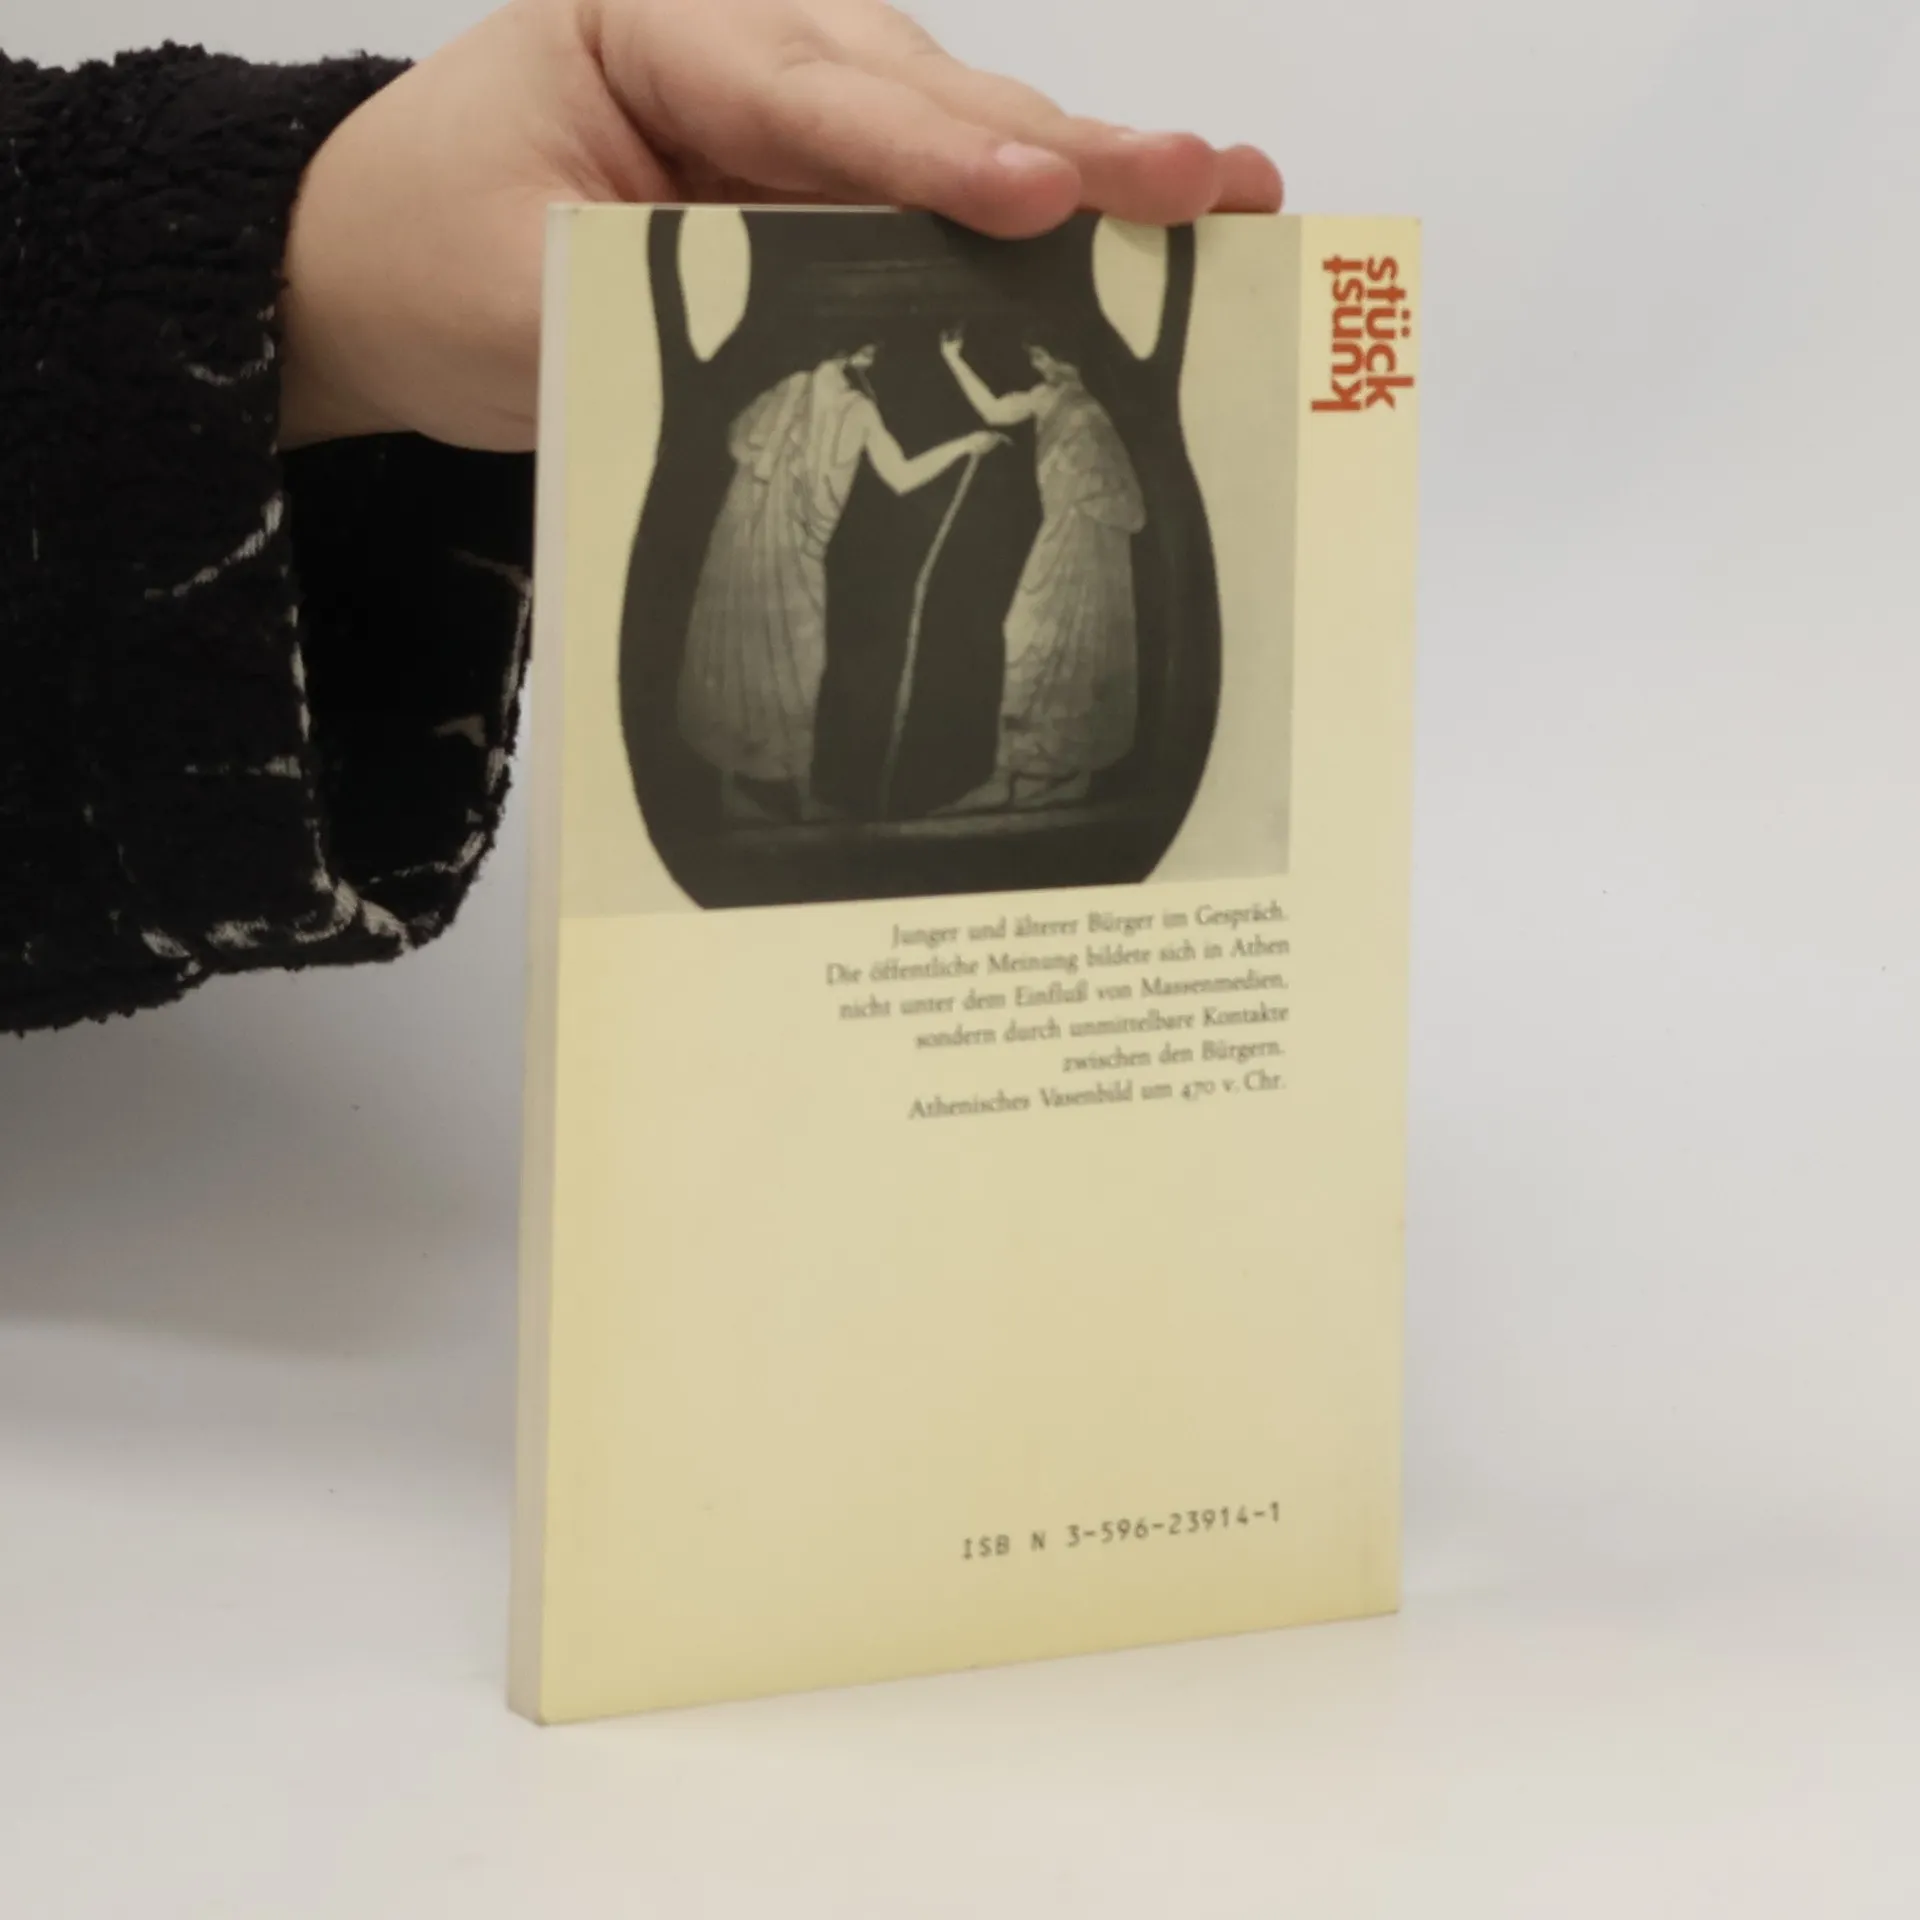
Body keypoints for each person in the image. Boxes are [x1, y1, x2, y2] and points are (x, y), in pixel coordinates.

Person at [0, 0, 1282, 1038]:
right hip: (768, 561)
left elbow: (918, 460)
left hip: (874, 557)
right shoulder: (811, 407)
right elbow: (894, 467)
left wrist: (299, 275)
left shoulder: (919, 412)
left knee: (1016, 660)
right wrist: (294, 273)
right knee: (782, 669)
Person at [678, 344, 1004, 823]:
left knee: (779, 665)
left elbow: (740, 445)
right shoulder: (827, 400)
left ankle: (775, 787)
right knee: (772, 664)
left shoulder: (826, 401)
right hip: (769, 547)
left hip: (780, 550)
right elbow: (901, 476)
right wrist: (966, 445)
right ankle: (761, 789)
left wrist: (964, 446)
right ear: (858, 353)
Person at [936, 328, 1147, 811]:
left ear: (1063, 357)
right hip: (1057, 534)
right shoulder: (1045, 399)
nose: (1038, 366)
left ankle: (1053, 772)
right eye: (1035, 357)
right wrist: (954, 359)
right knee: (1025, 637)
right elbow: (994, 410)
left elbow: (1129, 507)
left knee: (1067, 649)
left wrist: (1083, 486)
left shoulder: (1088, 414)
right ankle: (1013, 771)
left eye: (1041, 356)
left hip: (1085, 544)